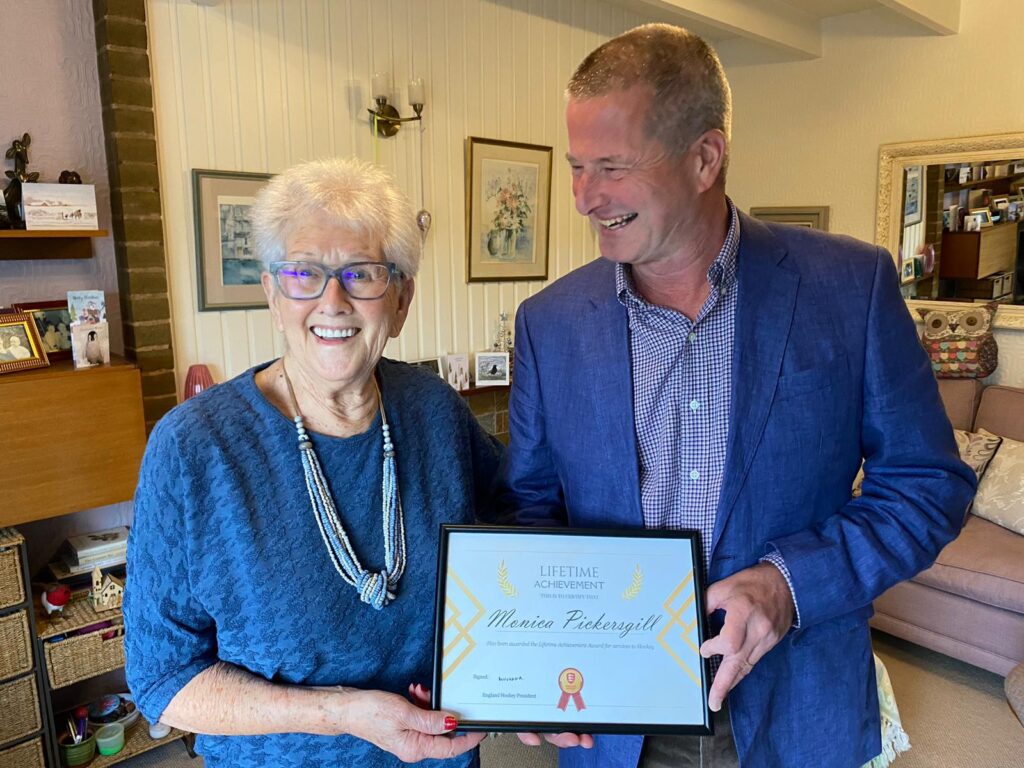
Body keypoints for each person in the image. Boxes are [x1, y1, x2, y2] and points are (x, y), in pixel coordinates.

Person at [497, 23, 976, 768]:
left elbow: (926, 485)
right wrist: (528, 666)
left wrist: (791, 584)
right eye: (577, 167)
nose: (586, 197)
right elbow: (529, 509)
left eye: (613, 168)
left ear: (704, 158)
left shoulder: (851, 287)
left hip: (796, 703)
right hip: (617, 720)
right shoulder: (549, 323)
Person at [125, 158, 502, 768]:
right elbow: (162, 681)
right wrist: (341, 713)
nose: (333, 300)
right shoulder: (192, 448)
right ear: (272, 294)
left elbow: (518, 535)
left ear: (401, 300)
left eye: (363, 274)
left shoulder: (435, 410)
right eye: (304, 273)